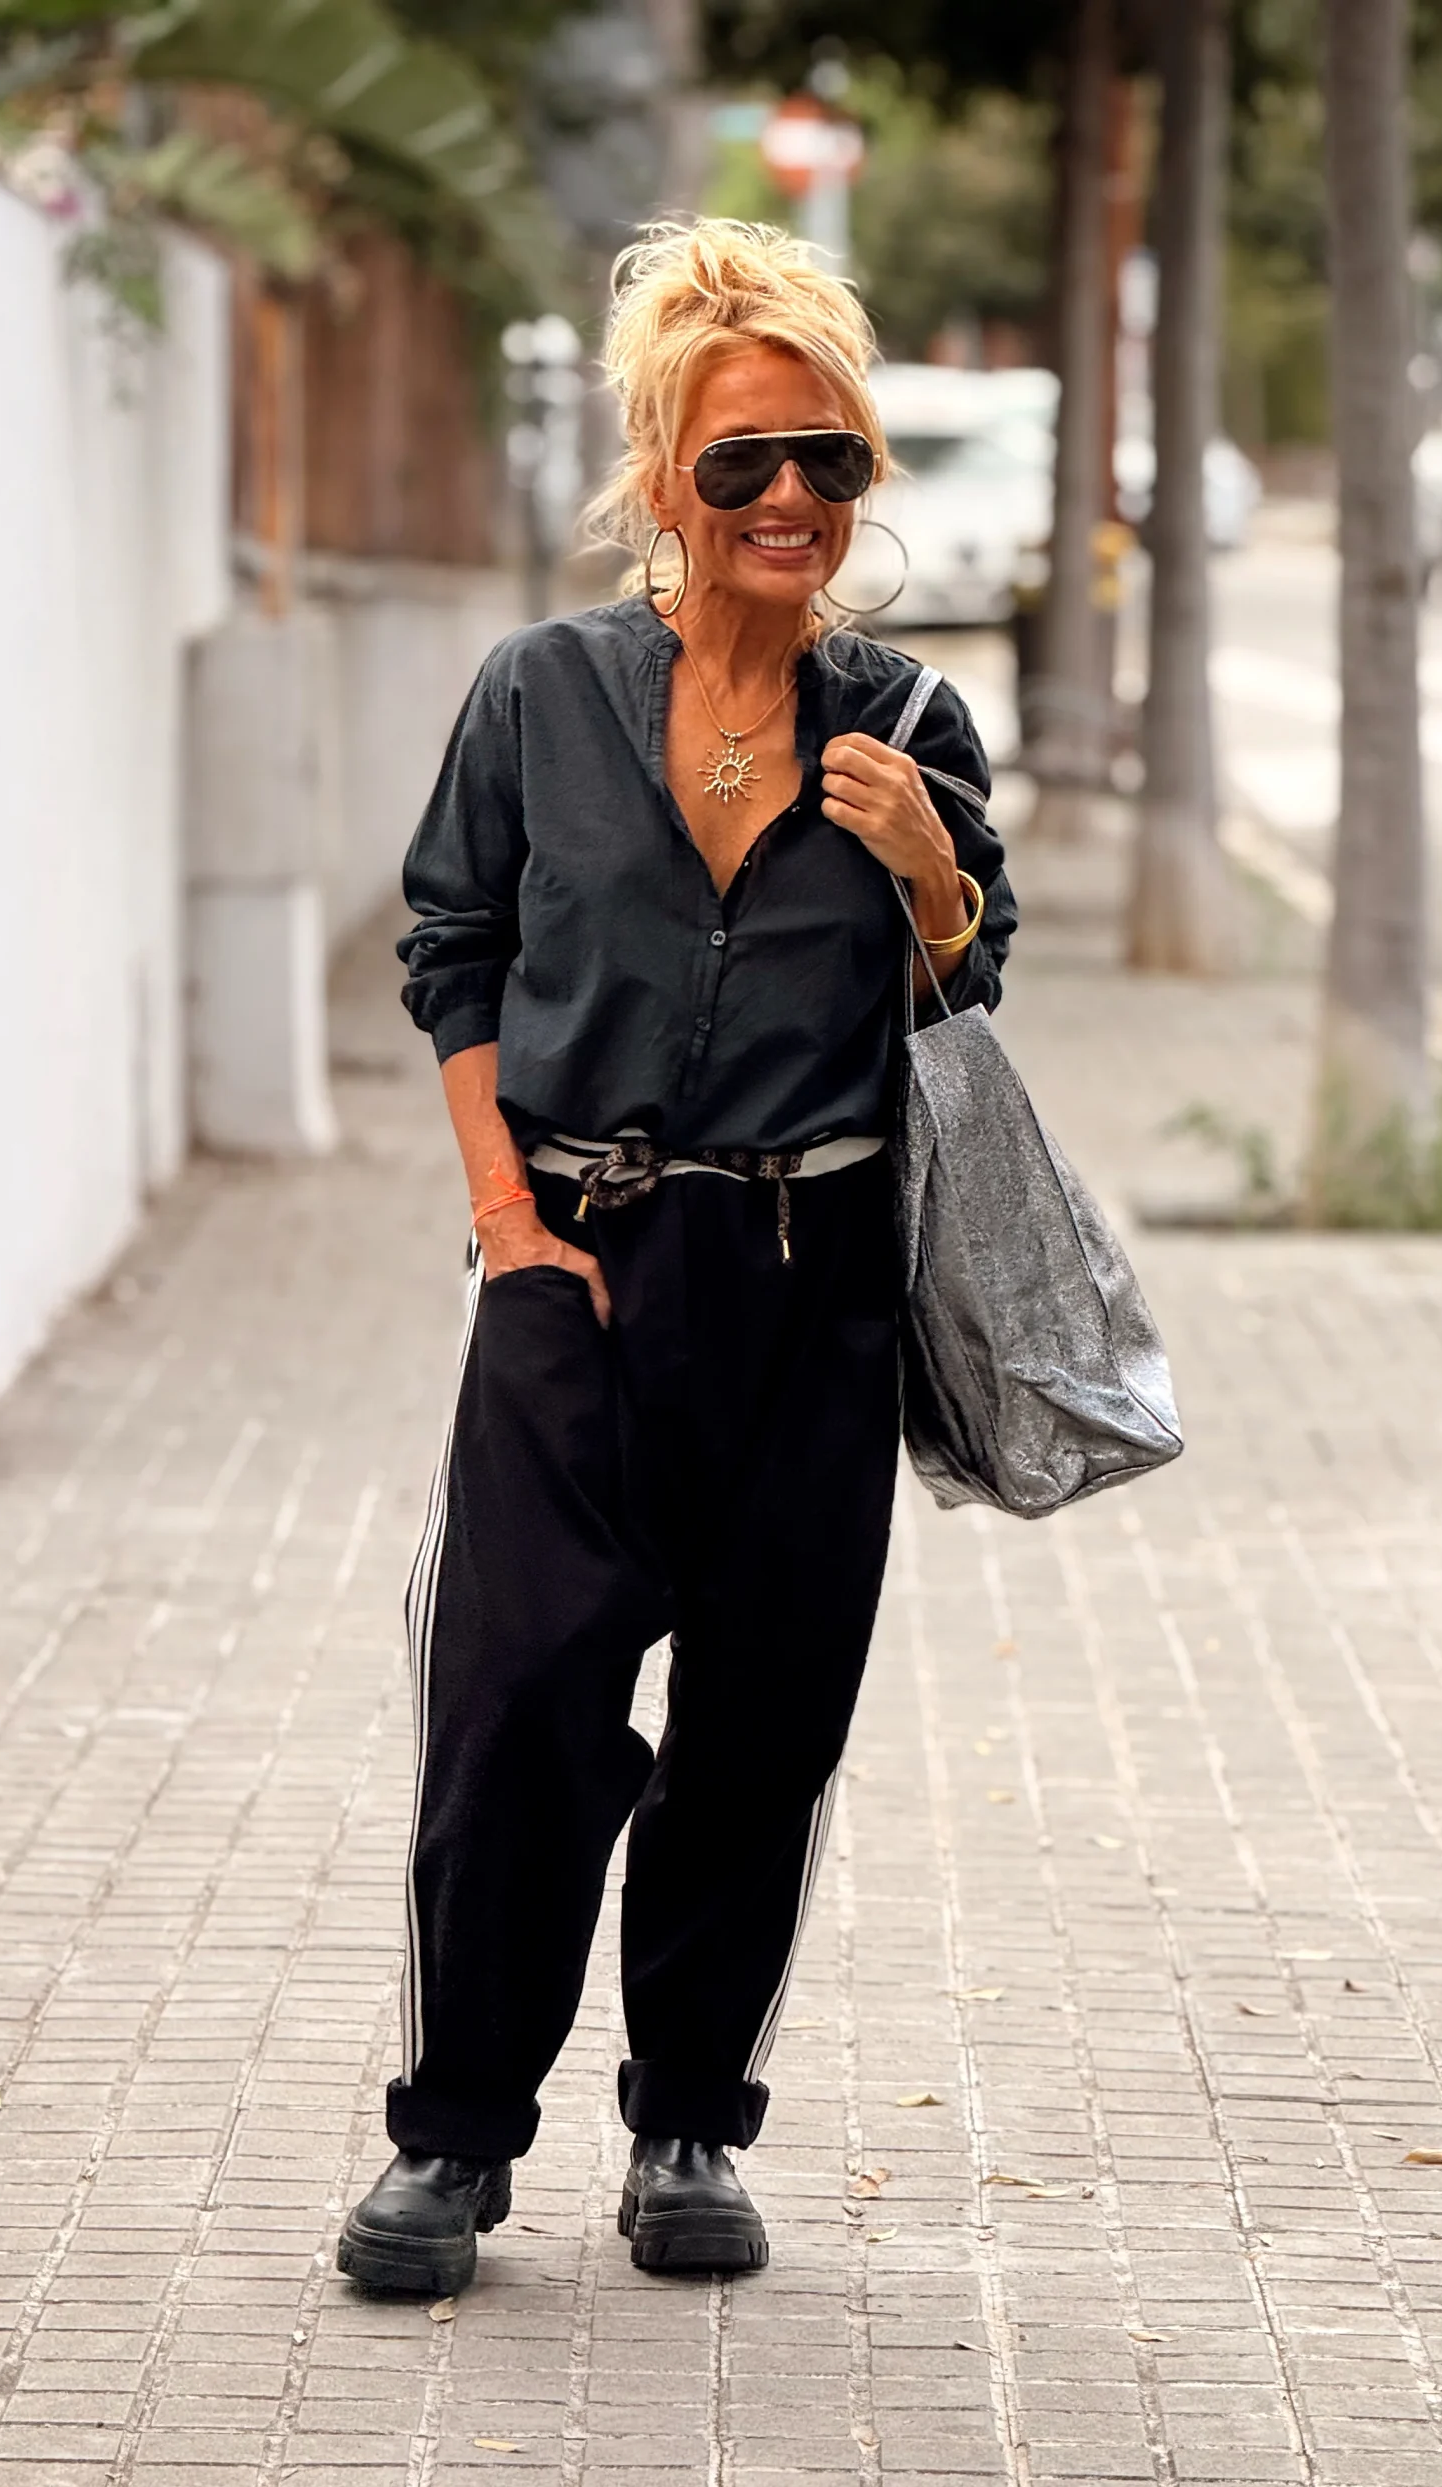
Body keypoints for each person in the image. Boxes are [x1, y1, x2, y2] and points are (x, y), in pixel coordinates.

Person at [338, 219, 1016, 2298]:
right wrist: (508, 1225)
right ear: (662, 479)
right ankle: (455, 2136)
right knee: (516, 1706)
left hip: (812, 1279)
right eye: (745, 463)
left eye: (831, 459)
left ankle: (693, 2122)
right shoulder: (540, 695)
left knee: (763, 1717)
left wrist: (929, 868)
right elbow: (452, 948)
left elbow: (971, 994)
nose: (792, 497)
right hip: (578, 1266)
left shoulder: (912, 718)